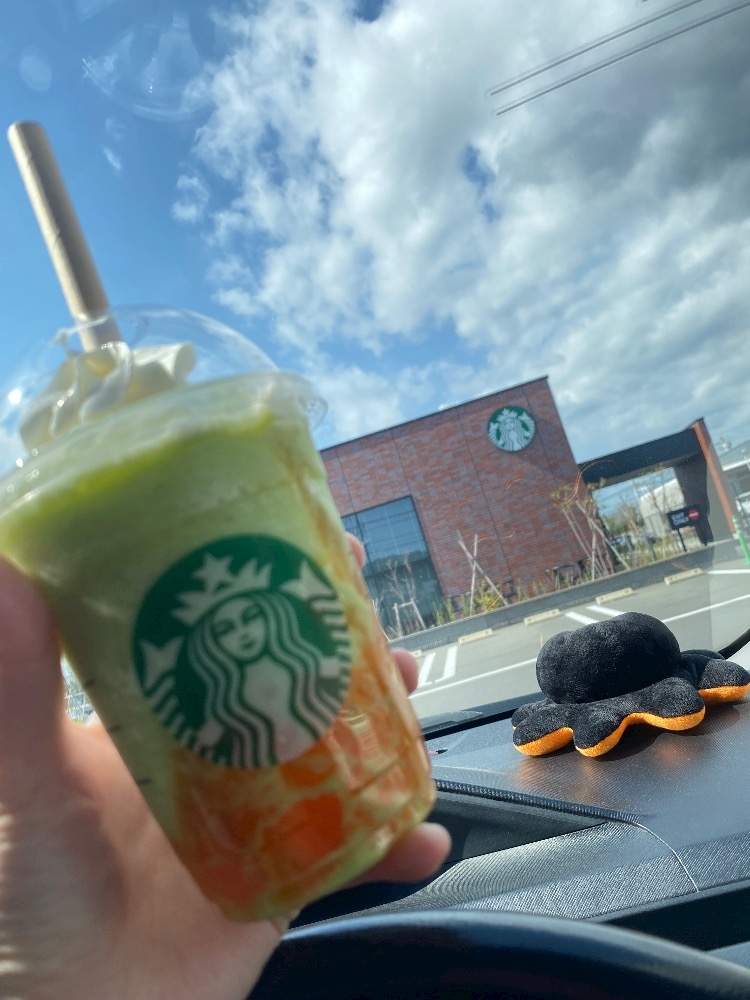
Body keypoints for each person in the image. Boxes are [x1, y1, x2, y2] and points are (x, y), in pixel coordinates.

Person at [0, 537, 450, 1000]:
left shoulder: (304, 685)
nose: (241, 633)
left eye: (250, 616)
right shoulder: (226, 715)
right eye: (225, 628)